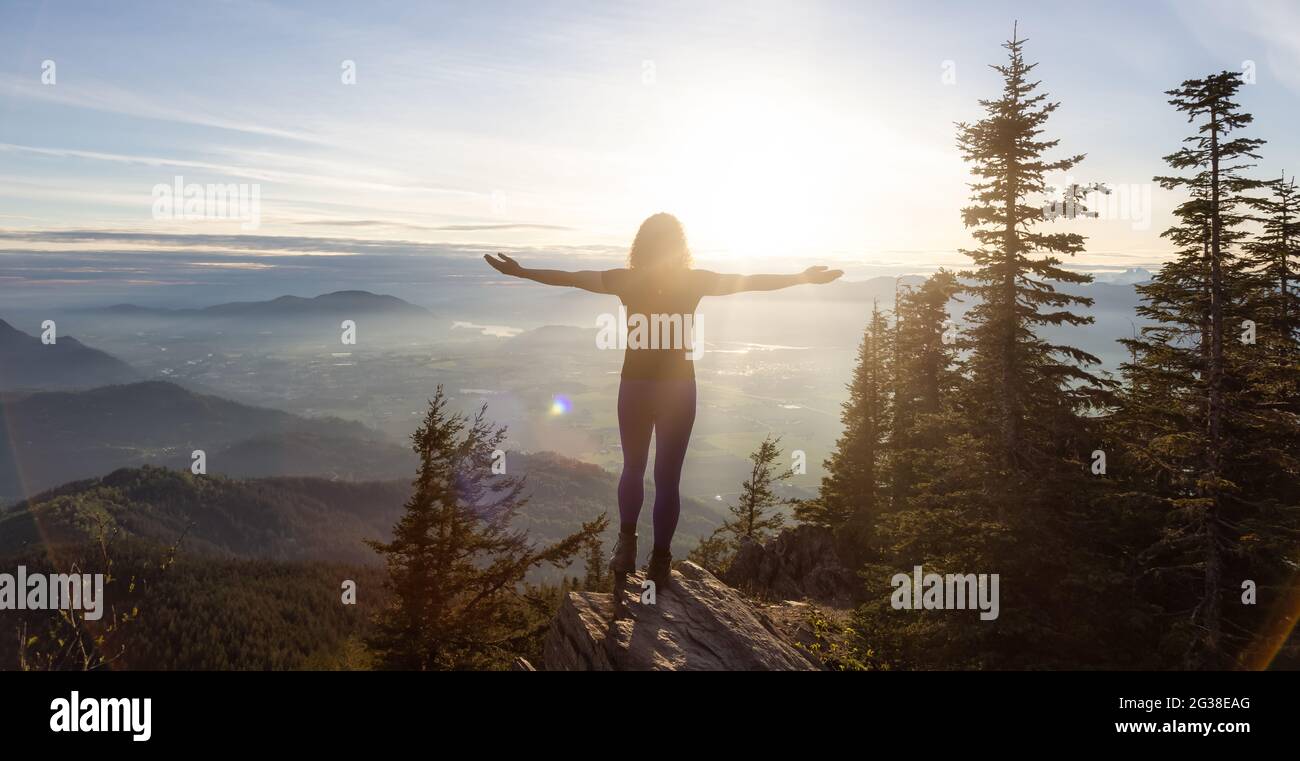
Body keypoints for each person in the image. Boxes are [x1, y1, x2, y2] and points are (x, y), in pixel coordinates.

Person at [483, 213, 842, 588]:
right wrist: (803, 278)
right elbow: (752, 283)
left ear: (641, 246)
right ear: (679, 246)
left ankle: (625, 549)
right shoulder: (694, 281)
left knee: (632, 469)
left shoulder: (625, 280)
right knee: (668, 480)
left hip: (634, 387)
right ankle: (659, 561)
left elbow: (571, 277)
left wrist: (521, 272)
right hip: (678, 389)